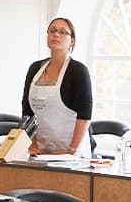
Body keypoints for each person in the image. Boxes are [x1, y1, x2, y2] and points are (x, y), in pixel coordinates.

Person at [22, 18, 93, 157]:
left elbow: (85, 115)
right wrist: (32, 144)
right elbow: (27, 112)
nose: (56, 34)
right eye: (52, 31)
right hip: (41, 151)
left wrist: (71, 150)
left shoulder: (78, 71)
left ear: (72, 41)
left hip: (72, 153)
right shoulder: (35, 68)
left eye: (62, 32)